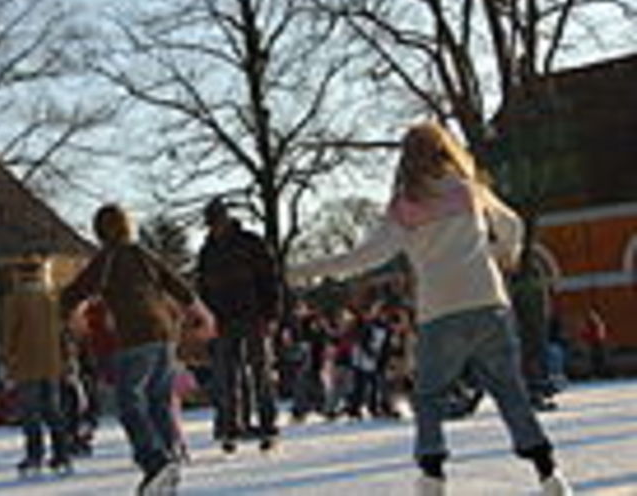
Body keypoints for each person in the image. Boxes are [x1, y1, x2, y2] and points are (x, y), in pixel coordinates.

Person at [288, 122, 571, 496]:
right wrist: (505, 254)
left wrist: (307, 270)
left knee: (430, 395)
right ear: (446, 151)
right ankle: (549, 475)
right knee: (510, 392)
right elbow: (513, 225)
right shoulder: (468, 190)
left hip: (441, 312)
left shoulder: (406, 204)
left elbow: (366, 256)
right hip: (488, 303)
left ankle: (433, 478)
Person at [61, 203, 215, 496]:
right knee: (158, 400)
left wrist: (73, 315)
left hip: (135, 337)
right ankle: (168, 462)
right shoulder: (143, 255)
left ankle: (155, 462)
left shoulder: (106, 259)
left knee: (129, 402)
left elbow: (76, 292)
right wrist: (204, 315)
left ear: (100, 232)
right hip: (164, 335)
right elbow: (177, 284)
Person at [195, 197, 283, 453]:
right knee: (227, 375)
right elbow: (203, 288)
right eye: (211, 224)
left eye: (217, 222)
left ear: (226, 219)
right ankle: (230, 426)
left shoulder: (250, 243)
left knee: (260, 371)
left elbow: (270, 278)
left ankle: (268, 425)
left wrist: (271, 314)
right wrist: (207, 318)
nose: (214, 228)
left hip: (253, 315)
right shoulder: (207, 251)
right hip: (222, 318)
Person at [2, 257, 72, 476]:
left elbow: (9, 334)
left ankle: (35, 456)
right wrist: (66, 359)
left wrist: (8, 358)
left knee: (31, 413)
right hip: (52, 364)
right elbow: (64, 333)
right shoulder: (52, 299)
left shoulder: (15, 300)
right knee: (53, 410)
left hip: (26, 364)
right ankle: (62, 454)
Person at [579, 308, 611, 379]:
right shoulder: (587, 324)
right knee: (590, 354)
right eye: (591, 314)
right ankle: (591, 373)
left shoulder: (600, 323)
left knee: (601, 354)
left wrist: (600, 339)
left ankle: (601, 372)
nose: (593, 316)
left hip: (599, 343)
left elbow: (602, 335)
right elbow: (583, 334)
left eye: (594, 314)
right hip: (590, 344)